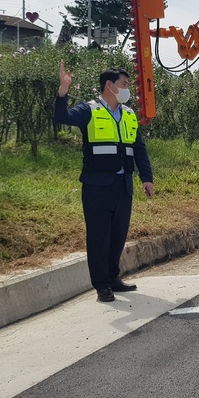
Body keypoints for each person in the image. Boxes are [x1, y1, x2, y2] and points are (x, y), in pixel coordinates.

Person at [54, 61, 154, 303]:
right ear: (109, 85)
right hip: (97, 186)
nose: (127, 88)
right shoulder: (89, 110)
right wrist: (63, 91)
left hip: (123, 185)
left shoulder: (129, 114)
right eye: (124, 84)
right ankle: (101, 285)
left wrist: (146, 178)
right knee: (99, 238)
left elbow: (139, 148)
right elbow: (61, 117)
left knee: (118, 236)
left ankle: (113, 278)